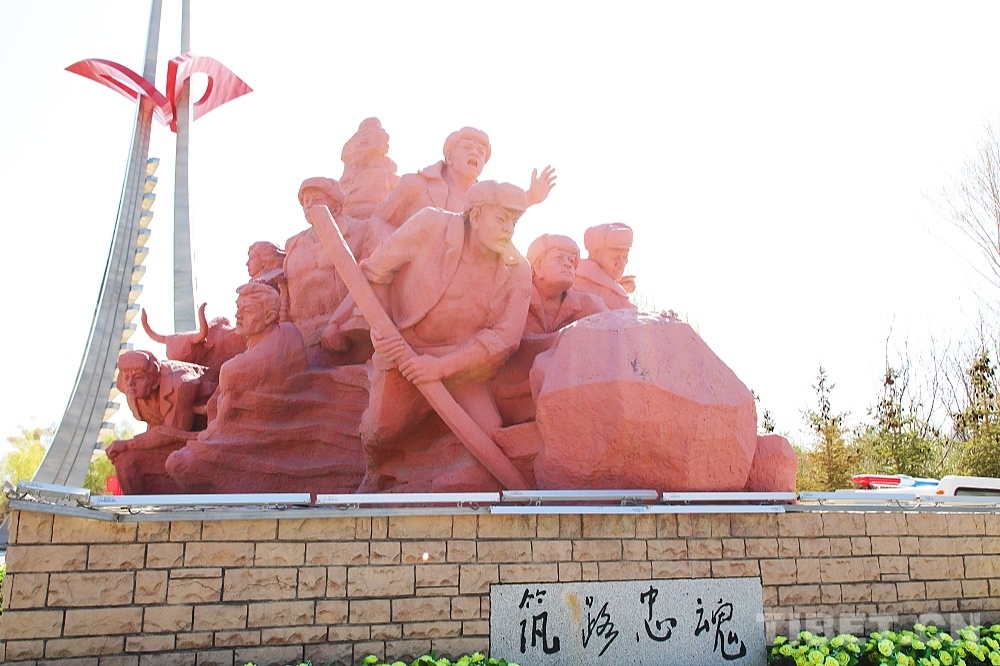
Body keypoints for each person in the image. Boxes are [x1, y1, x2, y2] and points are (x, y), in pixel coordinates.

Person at [355, 180, 533, 490]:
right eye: (501, 219)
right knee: (382, 429)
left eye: (514, 222)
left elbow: (505, 339)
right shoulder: (429, 225)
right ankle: (373, 470)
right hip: (404, 349)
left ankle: (450, 485)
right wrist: (380, 327)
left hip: (464, 367)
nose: (509, 229)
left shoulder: (518, 270)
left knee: (488, 434)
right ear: (475, 216)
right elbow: (376, 273)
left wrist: (441, 367)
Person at [284, 177, 391, 365]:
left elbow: (372, 280)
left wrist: (339, 322)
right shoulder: (293, 244)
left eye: (317, 199)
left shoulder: (362, 231)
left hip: (341, 331)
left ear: (336, 207)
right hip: (299, 333)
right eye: (305, 201)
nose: (309, 205)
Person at [369, 126, 556, 230]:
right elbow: (378, 220)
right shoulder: (415, 185)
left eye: (481, 152)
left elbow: (502, 210)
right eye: (467, 148)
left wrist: (531, 197)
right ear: (449, 156)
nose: (475, 153)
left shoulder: (484, 203)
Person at [524, 234, 607, 334]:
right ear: (537, 267)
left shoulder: (591, 305)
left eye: (571, 260)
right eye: (558, 257)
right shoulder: (517, 299)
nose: (568, 264)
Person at [115, 349, 209, 431]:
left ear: (155, 380)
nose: (130, 383)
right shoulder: (133, 394)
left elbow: (176, 431)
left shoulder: (179, 384)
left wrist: (133, 443)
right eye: (126, 378)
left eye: (138, 377)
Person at [573, 222, 638, 311]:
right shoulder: (580, 286)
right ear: (594, 254)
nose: (622, 264)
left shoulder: (602, 285)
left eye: (625, 256)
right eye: (614, 257)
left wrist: (616, 287)